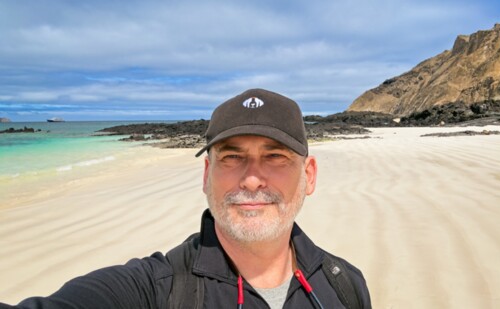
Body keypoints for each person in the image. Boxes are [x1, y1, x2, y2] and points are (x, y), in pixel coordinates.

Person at [3, 89, 372, 309]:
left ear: (308, 176)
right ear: (207, 175)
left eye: (275, 156)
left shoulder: (345, 285)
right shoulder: (157, 290)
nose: (253, 178)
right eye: (231, 157)